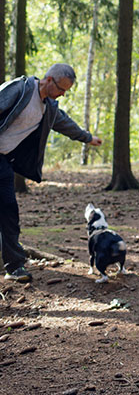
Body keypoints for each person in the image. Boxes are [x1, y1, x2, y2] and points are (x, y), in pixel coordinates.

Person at [0, 64, 103, 283]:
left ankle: (14, 267)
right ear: (48, 80)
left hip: (4, 161)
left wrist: (88, 138)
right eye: (61, 89)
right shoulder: (20, 89)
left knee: (9, 212)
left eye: (66, 91)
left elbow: (65, 124)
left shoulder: (49, 108)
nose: (63, 94)